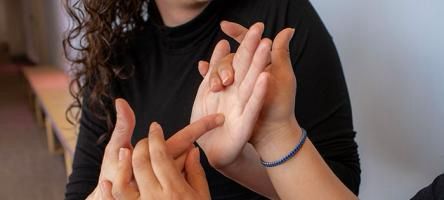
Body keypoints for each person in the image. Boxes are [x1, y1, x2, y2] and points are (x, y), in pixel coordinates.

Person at [64, 0, 361, 199]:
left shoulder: (281, 15)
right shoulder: (115, 62)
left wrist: (255, 153)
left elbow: (342, 184)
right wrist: (108, 193)